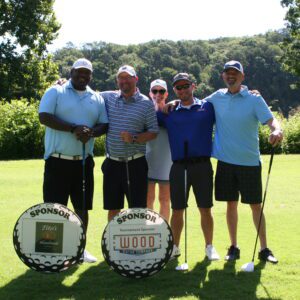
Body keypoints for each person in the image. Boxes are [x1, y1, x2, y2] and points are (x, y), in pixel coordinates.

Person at [205, 60, 283, 263]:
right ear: (223, 76)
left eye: (235, 73)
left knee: (255, 205)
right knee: (231, 204)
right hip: (225, 162)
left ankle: (264, 249)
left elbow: (270, 120)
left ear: (242, 76)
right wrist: (174, 103)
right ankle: (233, 247)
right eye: (227, 73)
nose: (231, 76)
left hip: (249, 162)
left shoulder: (254, 98)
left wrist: (277, 129)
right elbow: (195, 105)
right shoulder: (216, 97)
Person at [39, 58, 108, 263]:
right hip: (57, 161)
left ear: (91, 75)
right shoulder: (55, 91)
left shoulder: (97, 98)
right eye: (79, 71)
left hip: (83, 162)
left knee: (82, 207)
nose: (83, 75)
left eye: (87, 73)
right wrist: (73, 128)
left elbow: (104, 124)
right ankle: (52, 252)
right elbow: (44, 117)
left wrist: (91, 132)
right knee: (54, 207)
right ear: (72, 72)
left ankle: (79, 249)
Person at [157, 73, 220, 261]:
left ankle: (209, 246)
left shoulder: (207, 107)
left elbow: (228, 99)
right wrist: (167, 103)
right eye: (179, 87)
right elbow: (149, 110)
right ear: (174, 90)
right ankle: (175, 247)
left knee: (205, 208)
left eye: (186, 86)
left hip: (202, 165)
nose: (183, 90)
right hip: (178, 166)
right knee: (177, 210)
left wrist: (247, 91)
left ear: (194, 86)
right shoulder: (169, 112)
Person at [100, 65, 158, 221]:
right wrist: (64, 83)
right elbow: (87, 94)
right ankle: (113, 245)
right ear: (117, 80)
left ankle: (137, 245)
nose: (124, 81)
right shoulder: (108, 97)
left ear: (135, 79)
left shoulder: (146, 103)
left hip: (136, 164)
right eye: (121, 77)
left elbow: (153, 132)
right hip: (112, 164)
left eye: (128, 77)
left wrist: (134, 138)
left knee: (137, 210)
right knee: (113, 208)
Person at [146, 79, 172, 222]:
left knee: (164, 199)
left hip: (167, 161)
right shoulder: (145, 111)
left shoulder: (173, 111)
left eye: (161, 91)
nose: (158, 94)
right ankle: (149, 232)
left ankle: (164, 232)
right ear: (150, 93)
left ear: (166, 94)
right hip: (148, 160)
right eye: (155, 91)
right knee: (148, 199)